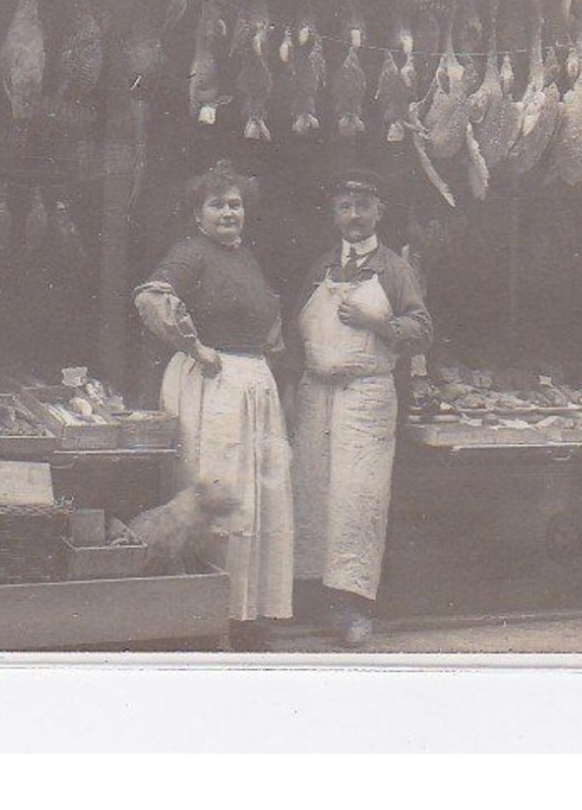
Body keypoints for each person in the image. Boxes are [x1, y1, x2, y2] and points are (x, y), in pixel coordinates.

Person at [133, 161, 292, 650]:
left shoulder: (246, 258)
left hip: (252, 389)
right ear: (197, 214)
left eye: (236, 204)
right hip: (212, 386)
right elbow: (151, 297)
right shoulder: (190, 254)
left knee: (257, 496)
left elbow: (266, 321)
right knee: (215, 493)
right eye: (217, 204)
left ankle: (248, 614)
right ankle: (207, 615)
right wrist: (194, 347)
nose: (229, 213)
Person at [288, 168, 432, 648]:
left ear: (378, 213)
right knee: (311, 493)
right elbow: (299, 331)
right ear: (334, 213)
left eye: (363, 207)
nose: (354, 216)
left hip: (366, 395)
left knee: (358, 499)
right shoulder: (320, 266)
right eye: (345, 207)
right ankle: (309, 598)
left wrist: (379, 321)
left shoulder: (394, 269)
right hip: (315, 394)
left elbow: (423, 331)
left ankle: (352, 608)